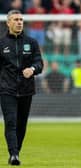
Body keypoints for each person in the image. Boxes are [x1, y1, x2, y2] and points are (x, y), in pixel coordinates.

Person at [0, 10, 43, 165]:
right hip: (6, 89)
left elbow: (39, 63)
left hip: (26, 89)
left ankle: (16, 151)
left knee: (21, 124)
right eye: (16, 19)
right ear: (8, 23)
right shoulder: (1, 44)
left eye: (21, 19)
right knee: (10, 122)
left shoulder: (31, 42)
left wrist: (32, 69)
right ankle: (14, 155)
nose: (19, 22)